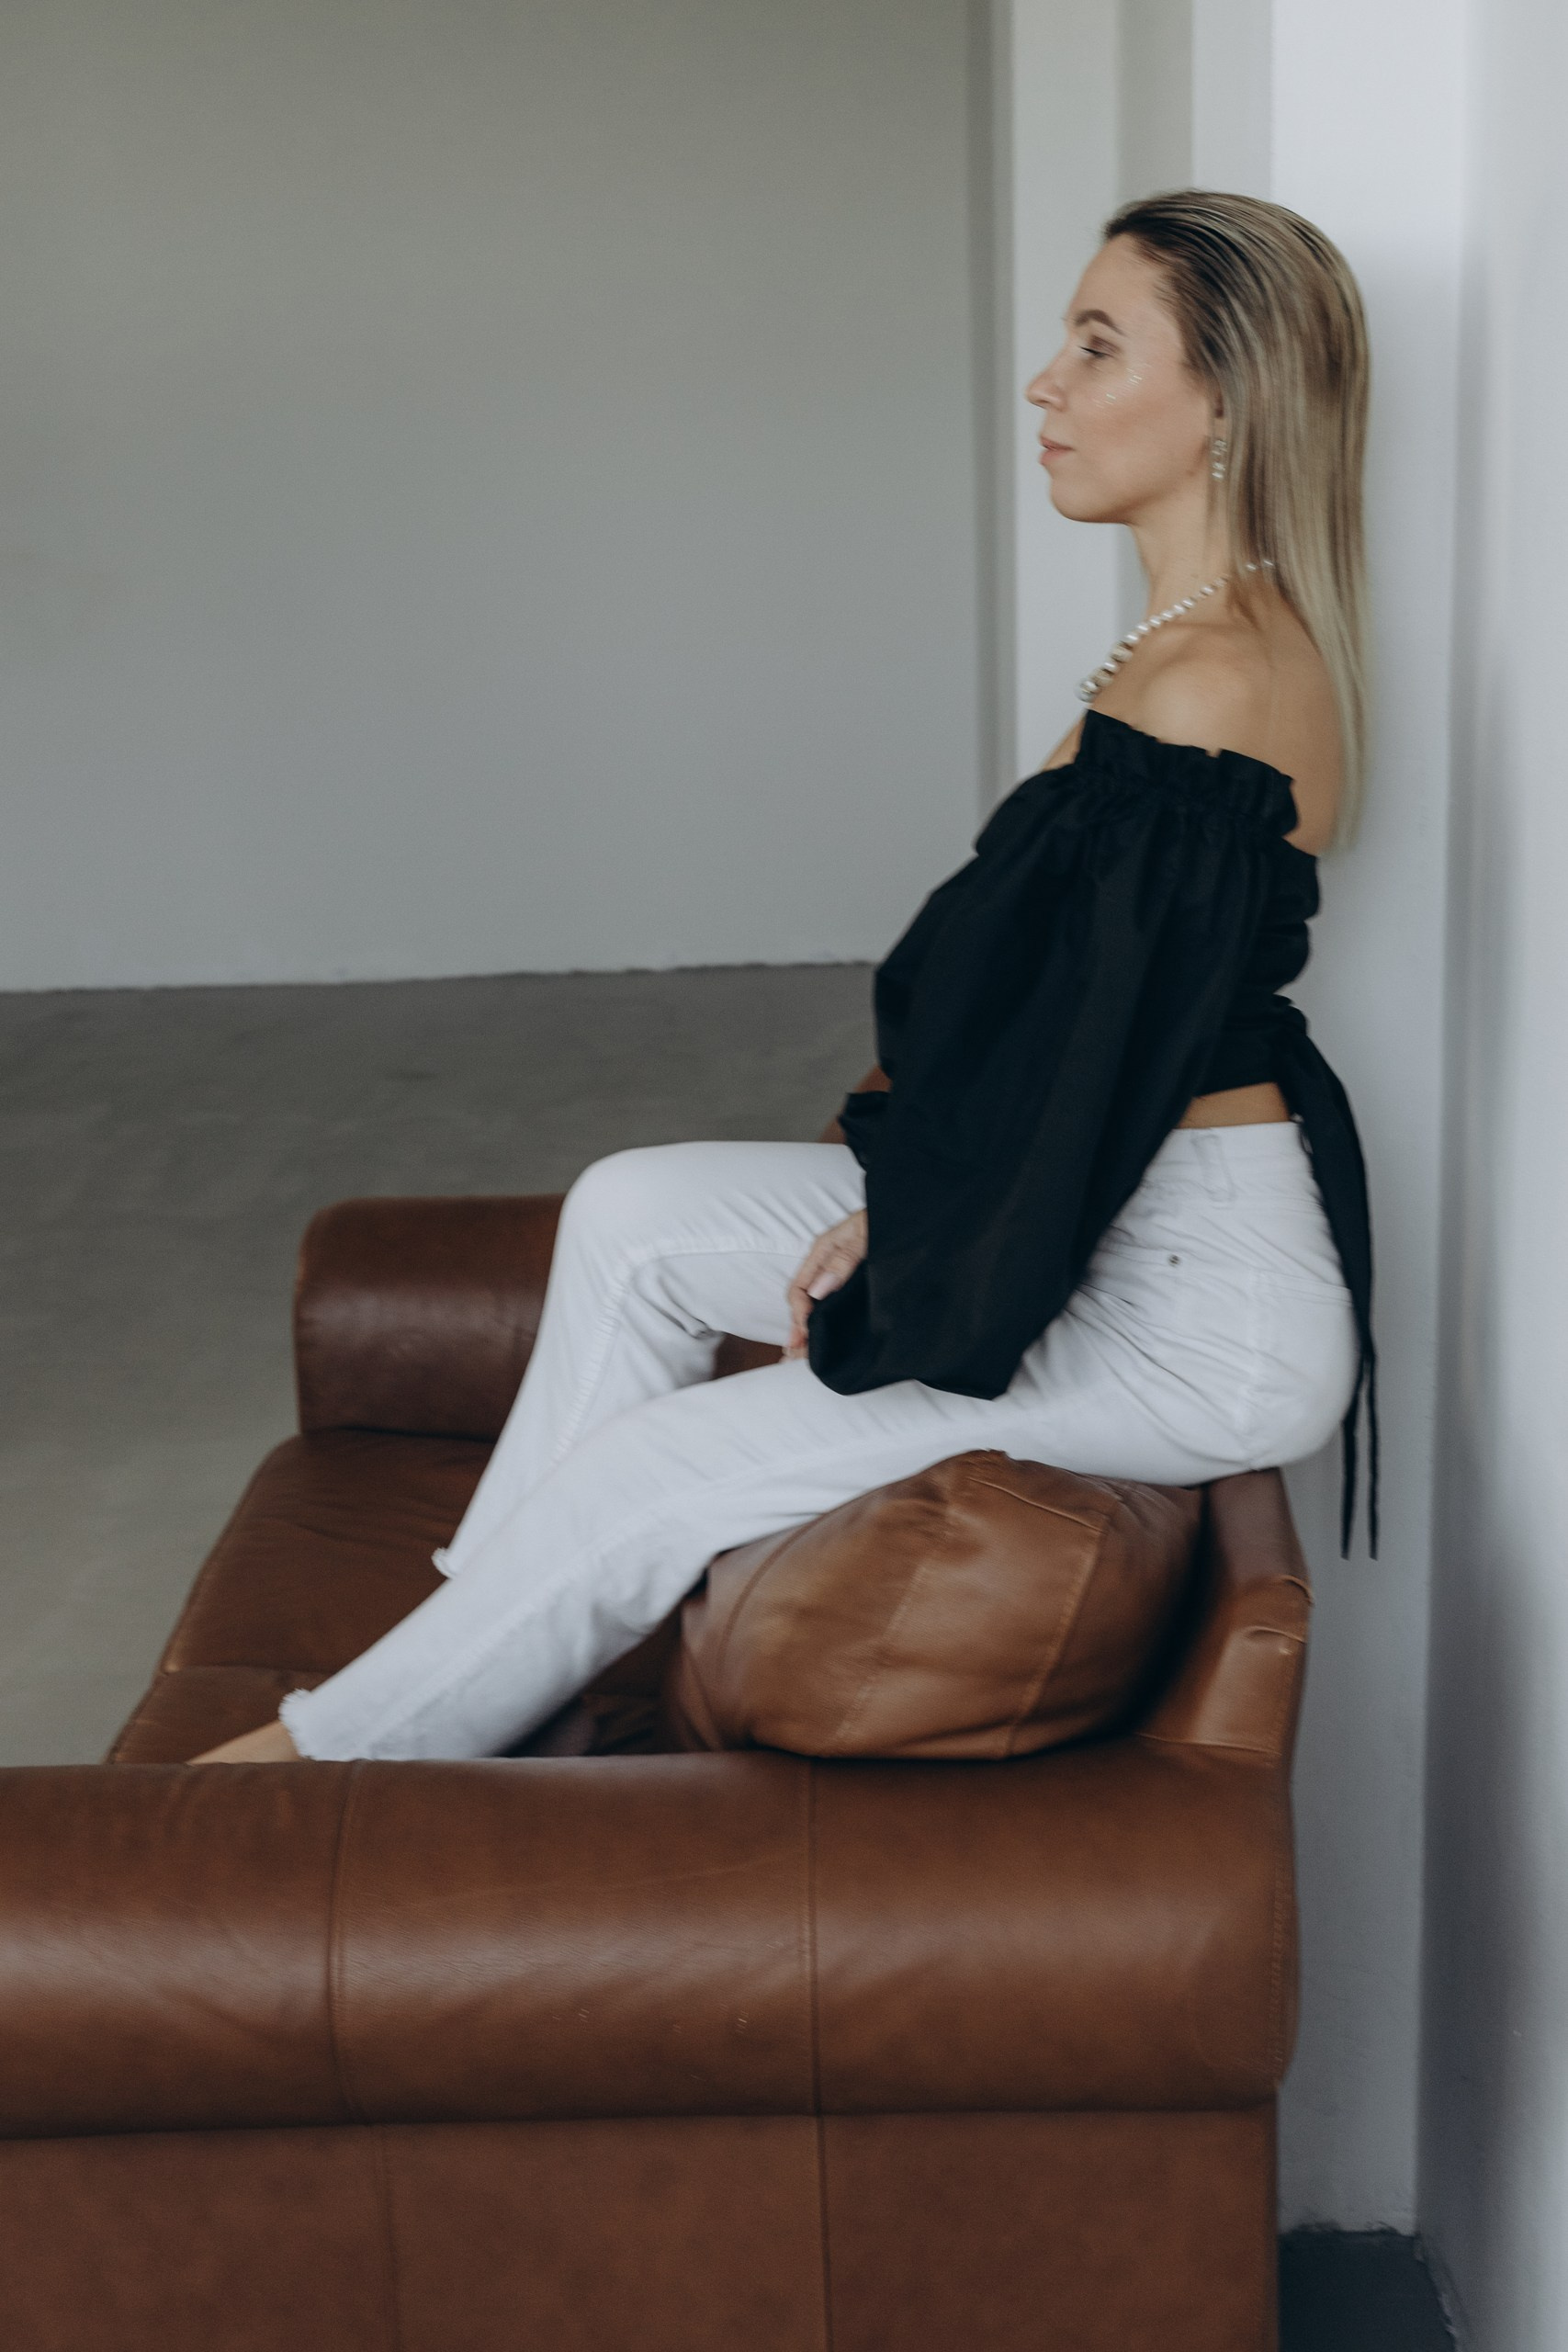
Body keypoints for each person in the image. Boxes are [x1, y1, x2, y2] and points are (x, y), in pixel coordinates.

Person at [195, 188, 1376, 1767]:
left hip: (1194, 1319)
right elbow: (1052, 1021)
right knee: (633, 1213)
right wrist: (909, 1194)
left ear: (1226, 397)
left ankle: (308, 1773)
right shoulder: (1178, 649)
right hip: (1128, 1230)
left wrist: (918, 1229)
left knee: (656, 1473)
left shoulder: (1215, 681)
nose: (1045, 383)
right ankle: (488, 1652)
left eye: (1100, 347)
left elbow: (1095, 1059)